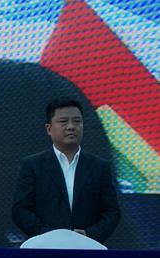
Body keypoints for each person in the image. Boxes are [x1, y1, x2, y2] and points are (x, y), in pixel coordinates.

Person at [12, 98, 121, 243]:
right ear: (49, 129)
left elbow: (111, 212)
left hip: (87, 247)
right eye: (63, 121)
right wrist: (50, 236)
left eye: (77, 121)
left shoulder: (100, 167)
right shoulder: (32, 165)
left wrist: (89, 235)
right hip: (44, 247)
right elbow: (21, 210)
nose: (71, 127)